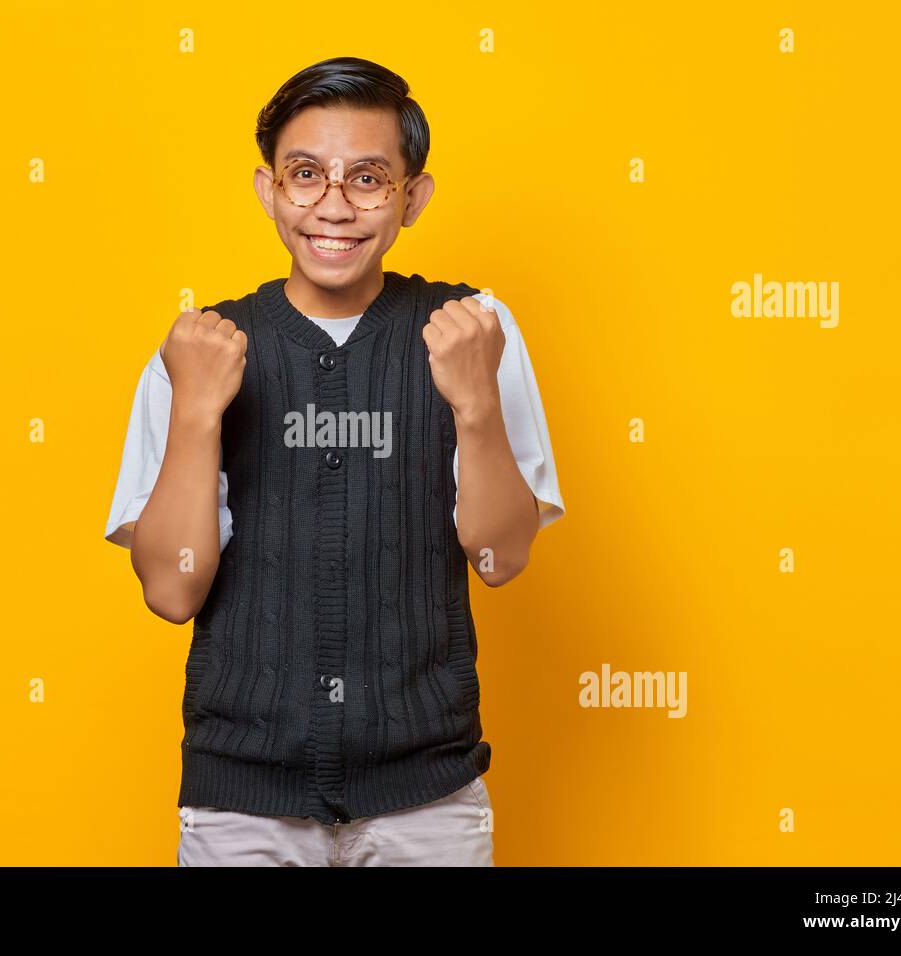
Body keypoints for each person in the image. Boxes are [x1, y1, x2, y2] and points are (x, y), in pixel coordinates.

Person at [104, 56, 565, 866]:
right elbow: (172, 590)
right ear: (268, 190)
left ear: (413, 197)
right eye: (306, 175)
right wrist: (198, 412)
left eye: (368, 179)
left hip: (427, 795)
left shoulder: (471, 329)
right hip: (241, 801)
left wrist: (476, 403)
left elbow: (502, 557)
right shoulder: (201, 349)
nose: (333, 207)